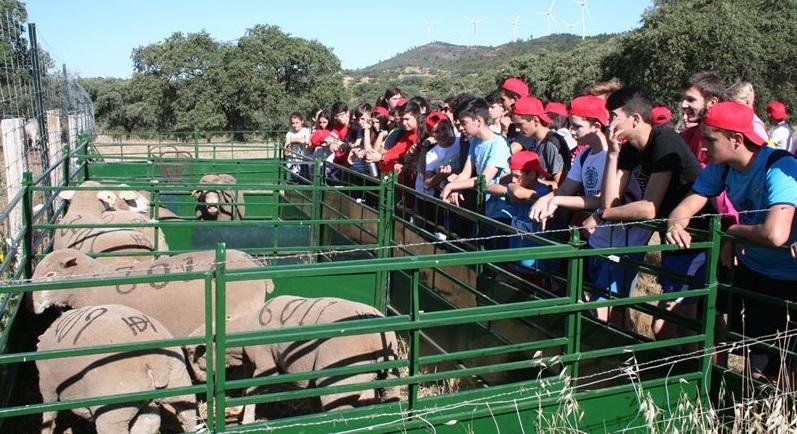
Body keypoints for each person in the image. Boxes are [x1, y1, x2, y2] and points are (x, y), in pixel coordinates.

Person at [666, 101, 797, 378]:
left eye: (710, 140)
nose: (703, 147)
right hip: (756, 274)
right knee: (758, 365)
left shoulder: (779, 167)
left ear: (736, 140)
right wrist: (675, 221)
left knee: (788, 368)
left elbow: (775, 234)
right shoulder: (722, 168)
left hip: (789, 280)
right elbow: (689, 203)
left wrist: (733, 233)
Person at [600, 86, 710, 341]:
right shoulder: (628, 148)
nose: (609, 123)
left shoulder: (664, 140)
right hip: (673, 240)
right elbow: (611, 201)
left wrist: (604, 214)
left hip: (696, 239)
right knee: (685, 325)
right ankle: (682, 372)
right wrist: (612, 154)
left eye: (613, 116)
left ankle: (691, 374)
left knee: (668, 326)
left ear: (635, 118)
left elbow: (648, 208)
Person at [531, 95, 648, 325]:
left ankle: (623, 355)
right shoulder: (583, 155)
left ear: (596, 126)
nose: (571, 131)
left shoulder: (613, 157)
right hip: (597, 242)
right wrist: (547, 198)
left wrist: (556, 202)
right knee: (601, 305)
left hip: (620, 243)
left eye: (577, 126)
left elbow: (601, 200)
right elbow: (566, 188)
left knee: (611, 309)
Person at [441, 97, 511, 223]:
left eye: (463, 123)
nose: (460, 128)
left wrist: (452, 185)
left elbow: (484, 179)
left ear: (478, 120)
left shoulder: (498, 144)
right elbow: (466, 173)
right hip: (484, 208)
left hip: (500, 212)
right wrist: (454, 188)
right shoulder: (475, 142)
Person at [509, 96, 567, 185]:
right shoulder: (533, 139)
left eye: (520, 125)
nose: (517, 130)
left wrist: (529, 181)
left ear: (535, 121)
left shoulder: (552, 143)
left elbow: (559, 184)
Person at [680, 71, 726, 165]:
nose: (683, 105)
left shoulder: (725, 141)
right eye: (683, 99)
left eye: (691, 100)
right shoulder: (688, 134)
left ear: (712, 103)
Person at [284, 111, 311, 177]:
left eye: (297, 123)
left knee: (306, 179)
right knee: (295, 180)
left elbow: (307, 141)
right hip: (294, 161)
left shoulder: (307, 130)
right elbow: (286, 149)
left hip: (305, 160)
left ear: (302, 121)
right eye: (293, 123)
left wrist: (292, 141)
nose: (295, 125)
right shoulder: (289, 133)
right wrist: (287, 148)